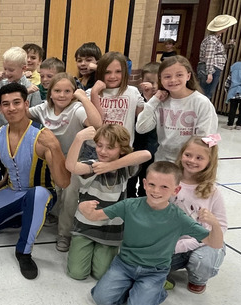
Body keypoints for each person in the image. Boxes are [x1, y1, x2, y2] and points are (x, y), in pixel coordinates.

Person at [81, 161, 224, 305]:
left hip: (154, 272)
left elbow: (215, 243)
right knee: (101, 299)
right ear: (145, 184)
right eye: (152, 185)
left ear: (176, 190)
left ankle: (156, 291)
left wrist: (215, 224)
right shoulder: (129, 205)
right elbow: (95, 216)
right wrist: (83, 208)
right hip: (124, 265)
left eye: (164, 187)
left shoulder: (178, 218)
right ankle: (136, 289)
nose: (156, 191)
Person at [0, 83, 70, 279]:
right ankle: (22, 217)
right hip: (13, 191)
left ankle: (23, 252)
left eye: (16, 102)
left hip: (41, 193)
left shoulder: (42, 137)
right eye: (6, 104)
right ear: (0, 108)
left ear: (26, 104)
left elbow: (63, 182)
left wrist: (56, 148)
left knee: (37, 194)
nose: (11, 108)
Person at [65, 125, 150, 281]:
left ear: (122, 150)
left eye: (110, 147)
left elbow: (146, 154)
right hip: (85, 227)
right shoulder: (93, 165)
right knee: (77, 273)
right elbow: (71, 166)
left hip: (110, 230)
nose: (102, 151)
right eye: (99, 145)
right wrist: (78, 138)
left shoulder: (125, 168)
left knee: (101, 274)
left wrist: (111, 166)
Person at [28, 73, 101, 253]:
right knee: (53, 191)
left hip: (73, 160)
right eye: (57, 91)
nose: (62, 95)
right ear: (50, 93)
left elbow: (97, 123)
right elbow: (20, 112)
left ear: (73, 93)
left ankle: (65, 233)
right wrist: (25, 91)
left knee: (69, 195)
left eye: (67, 91)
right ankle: (53, 215)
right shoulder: (44, 108)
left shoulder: (76, 109)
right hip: (50, 159)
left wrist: (84, 98)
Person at [167, 134, 227, 294]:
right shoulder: (169, 182)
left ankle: (198, 278)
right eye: (188, 155)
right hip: (173, 242)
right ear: (181, 155)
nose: (192, 161)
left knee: (202, 261)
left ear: (209, 162)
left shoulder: (212, 192)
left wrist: (212, 222)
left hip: (203, 242)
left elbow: (221, 227)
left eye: (199, 157)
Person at [135, 55, 218, 162]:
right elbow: (141, 128)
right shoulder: (160, 101)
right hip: (163, 160)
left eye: (179, 75)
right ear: (160, 78)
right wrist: (153, 101)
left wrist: (193, 160)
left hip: (189, 162)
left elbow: (206, 137)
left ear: (188, 76)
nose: (173, 80)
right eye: (167, 76)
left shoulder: (201, 102)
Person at [90, 51, 144, 144]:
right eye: (107, 72)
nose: (112, 76)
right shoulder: (91, 92)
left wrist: (149, 96)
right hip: (96, 148)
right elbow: (97, 123)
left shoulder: (133, 91)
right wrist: (94, 93)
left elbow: (143, 120)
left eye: (118, 71)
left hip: (123, 147)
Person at [127, 62, 160, 198]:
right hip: (136, 147)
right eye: (147, 81)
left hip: (153, 150)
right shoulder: (138, 98)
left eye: (155, 82)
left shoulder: (162, 101)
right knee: (131, 180)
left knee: (147, 181)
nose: (151, 86)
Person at [0, 47, 41, 111]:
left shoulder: (32, 89)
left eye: (11, 70)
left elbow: (36, 115)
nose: (6, 73)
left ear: (23, 68)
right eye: (5, 69)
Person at [197, 14, 237, 99]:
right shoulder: (212, 40)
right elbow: (209, 56)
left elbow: (213, 51)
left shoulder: (213, 39)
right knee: (206, 94)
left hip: (211, 67)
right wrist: (209, 72)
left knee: (206, 93)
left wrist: (227, 46)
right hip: (212, 68)